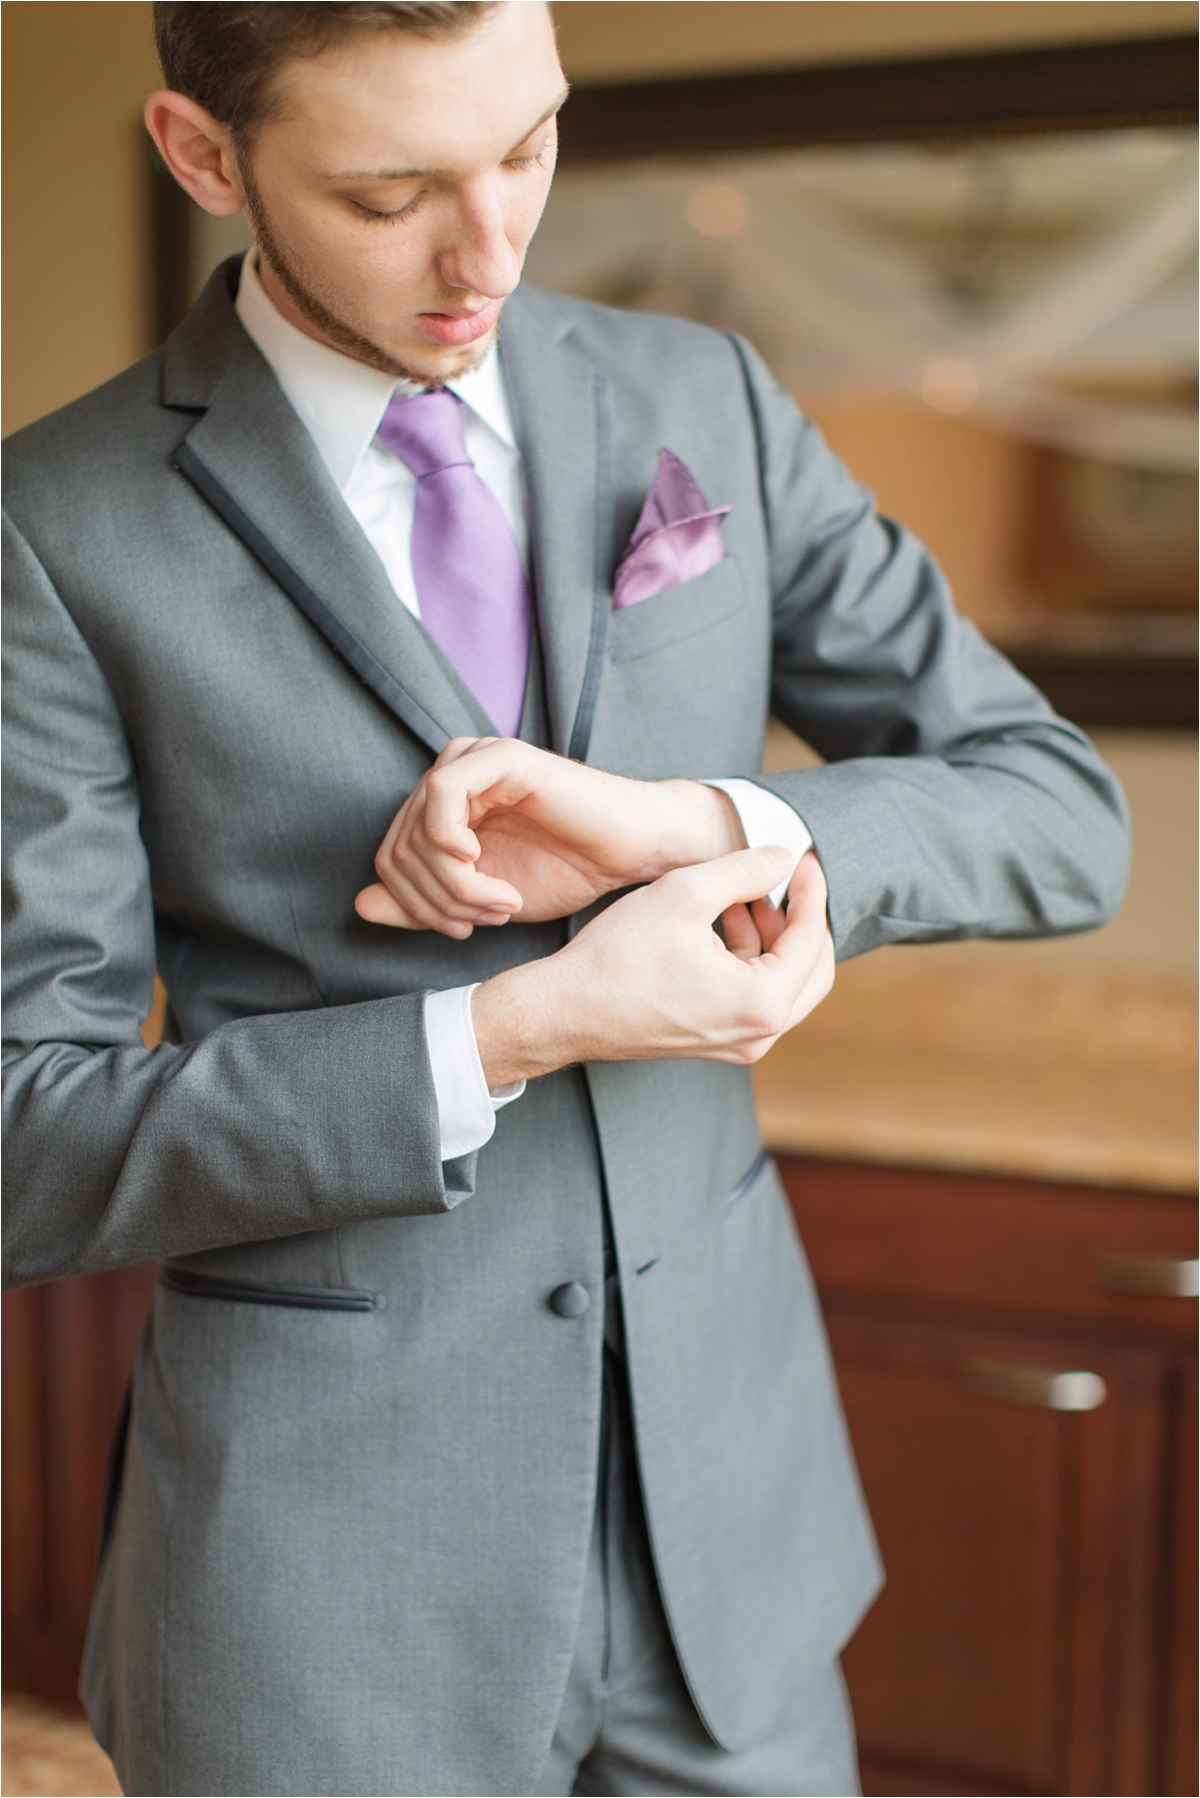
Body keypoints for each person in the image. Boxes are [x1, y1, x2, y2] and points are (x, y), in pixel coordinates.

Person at [1, 4, 1130, 1794]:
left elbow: (1063, 810)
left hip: (729, 1574)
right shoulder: (51, 528)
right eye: (390, 193)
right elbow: (22, 1137)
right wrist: (513, 1028)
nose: (493, 252)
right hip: (321, 1602)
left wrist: (694, 820)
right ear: (204, 158)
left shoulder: (707, 405)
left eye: (528, 144)